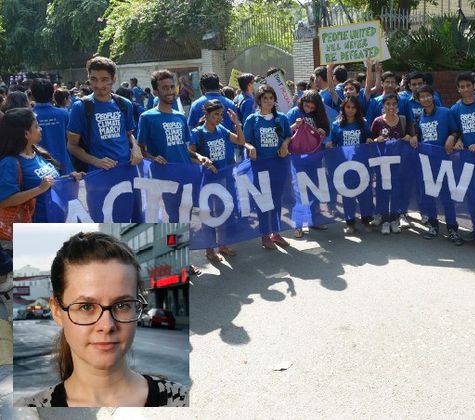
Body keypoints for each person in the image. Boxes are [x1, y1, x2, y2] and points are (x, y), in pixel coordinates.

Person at [14, 231, 188, 407]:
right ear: (57, 311)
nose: (106, 325)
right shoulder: (27, 411)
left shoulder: (182, 402)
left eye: (122, 305)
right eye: (86, 307)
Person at [188, 99, 255, 261]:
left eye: (221, 114)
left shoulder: (222, 129)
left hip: (225, 179)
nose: (219, 117)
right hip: (207, 182)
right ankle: (210, 249)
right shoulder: (198, 133)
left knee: (225, 212)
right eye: (215, 114)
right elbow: (190, 154)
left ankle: (223, 245)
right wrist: (203, 161)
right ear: (206, 114)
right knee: (209, 215)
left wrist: (236, 123)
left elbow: (240, 141)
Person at [0, 108, 83, 223]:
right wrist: (39, 189)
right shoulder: (9, 162)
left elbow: (49, 182)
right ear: (26, 133)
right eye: (36, 126)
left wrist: (69, 178)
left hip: (54, 219)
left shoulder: (38, 152)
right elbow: (5, 200)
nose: (40, 129)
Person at [66, 56, 143, 173]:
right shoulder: (80, 107)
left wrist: (136, 148)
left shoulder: (124, 104)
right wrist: (96, 161)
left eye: (104, 79)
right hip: (98, 176)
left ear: (113, 79)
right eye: (94, 79)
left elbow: (129, 134)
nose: (99, 85)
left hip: (127, 170)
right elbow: (72, 146)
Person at [243, 85, 292, 250]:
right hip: (260, 165)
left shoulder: (282, 118)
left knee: (277, 200)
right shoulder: (252, 119)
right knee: (264, 201)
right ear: (259, 101)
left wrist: (285, 145)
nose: (269, 101)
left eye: (271, 98)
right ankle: (265, 235)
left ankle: (276, 233)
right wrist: (250, 148)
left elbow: (287, 136)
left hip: (279, 164)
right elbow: (245, 140)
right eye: (265, 98)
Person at [414, 85, 463, 245]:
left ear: (433, 96)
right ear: (418, 100)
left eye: (428, 95)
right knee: (429, 195)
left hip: (445, 162)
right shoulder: (420, 117)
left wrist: (452, 137)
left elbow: (457, 131)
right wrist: (414, 137)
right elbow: (419, 137)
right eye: (422, 97)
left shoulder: (446, 112)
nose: (426, 99)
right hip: (427, 163)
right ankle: (433, 226)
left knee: (447, 197)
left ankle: (452, 229)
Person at [450, 72, 475, 237]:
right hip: (467, 159)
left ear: (474, 86)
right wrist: (458, 140)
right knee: (472, 194)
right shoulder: (455, 108)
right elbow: (456, 131)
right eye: (462, 87)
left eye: (468, 85)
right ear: (458, 90)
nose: (466, 89)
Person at [370, 93, 417, 235]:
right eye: (388, 104)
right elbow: (369, 141)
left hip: (399, 164)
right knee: (383, 192)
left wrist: (410, 137)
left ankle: (394, 219)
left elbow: (412, 136)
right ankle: (384, 220)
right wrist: (376, 140)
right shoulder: (377, 121)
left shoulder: (403, 120)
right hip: (382, 164)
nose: (391, 107)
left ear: (397, 105)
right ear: (383, 106)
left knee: (397, 191)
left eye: (394, 104)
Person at [286, 90, 331, 237]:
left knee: (315, 189)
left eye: (312, 108)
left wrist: (322, 132)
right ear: (301, 102)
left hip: (315, 157)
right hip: (297, 158)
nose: (309, 110)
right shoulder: (294, 112)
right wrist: (294, 126)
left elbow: (326, 132)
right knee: (299, 191)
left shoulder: (319, 115)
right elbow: (285, 132)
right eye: (306, 106)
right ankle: (297, 225)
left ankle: (315, 220)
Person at [328, 96, 374, 234]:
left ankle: (366, 220)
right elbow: (333, 143)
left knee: (365, 193)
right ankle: (350, 223)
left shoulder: (363, 123)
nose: (350, 110)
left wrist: (370, 140)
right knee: (347, 195)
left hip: (362, 165)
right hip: (344, 166)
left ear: (357, 109)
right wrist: (330, 145)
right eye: (348, 107)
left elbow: (368, 138)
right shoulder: (337, 125)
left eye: (353, 107)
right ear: (343, 108)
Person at [30, 78, 74, 175]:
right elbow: (71, 140)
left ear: (32, 95)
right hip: (64, 165)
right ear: (52, 94)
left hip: (39, 170)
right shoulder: (64, 113)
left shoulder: (29, 116)